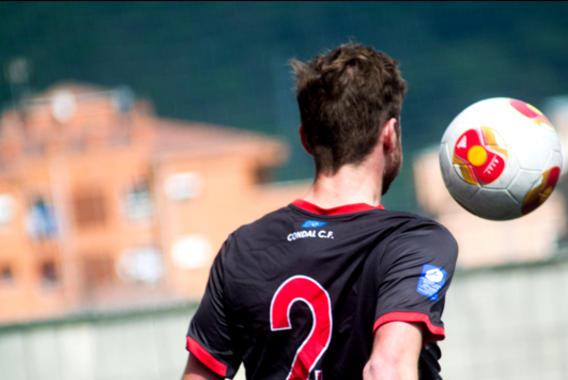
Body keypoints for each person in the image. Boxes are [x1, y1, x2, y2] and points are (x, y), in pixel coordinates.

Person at [182, 43, 458, 380]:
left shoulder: (242, 248)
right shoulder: (413, 242)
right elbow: (386, 368)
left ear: (306, 139)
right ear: (389, 134)